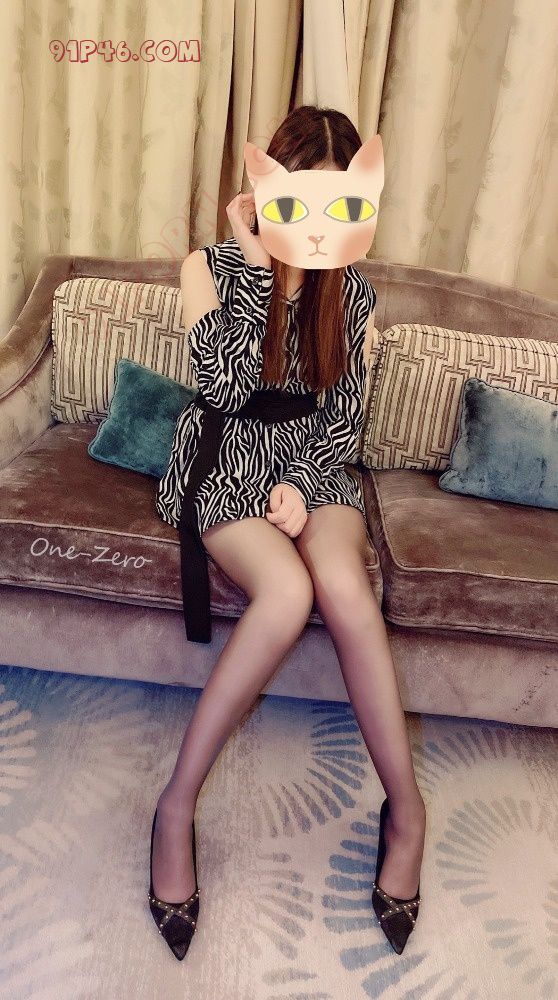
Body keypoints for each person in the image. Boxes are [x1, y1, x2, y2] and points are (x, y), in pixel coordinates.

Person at [149, 105, 426, 960]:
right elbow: (224, 388)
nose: (314, 226)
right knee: (287, 594)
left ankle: (407, 813)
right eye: (299, 201)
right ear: (269, 187)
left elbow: (344, 419)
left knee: (342, 586)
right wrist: (251, 263)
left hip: (316, 457)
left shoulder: (355, 292)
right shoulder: (207, 267)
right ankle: (175, 806)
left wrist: (303, 487)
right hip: (227, 454)